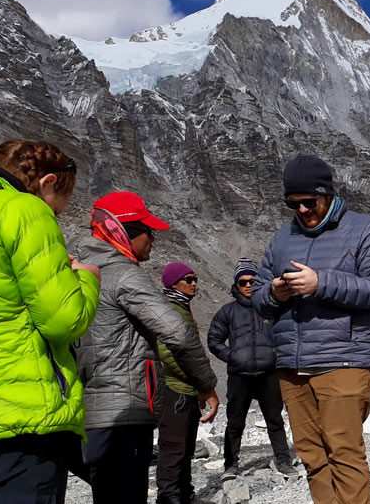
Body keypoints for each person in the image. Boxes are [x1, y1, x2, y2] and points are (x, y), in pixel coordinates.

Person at [253, 154, 370, 504]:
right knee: (312, 456)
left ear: (328, 194)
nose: (301, 210)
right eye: (293, 204)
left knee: (343, 450)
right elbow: (257, 297)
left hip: (345, 359)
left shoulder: (365, 230)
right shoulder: (281, 239)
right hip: (293, 365)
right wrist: (274, 292)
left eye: (308, 202)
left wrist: (321, 283)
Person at [69, 191, 219, 504]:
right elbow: (178, 334)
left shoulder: (71, 271)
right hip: (126, 410)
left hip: (82, 412)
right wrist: (206, 385)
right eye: (149, 232)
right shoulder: (123, 275)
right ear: (125, 232)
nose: (153, 239)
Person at [0, 140, 101, 504]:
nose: (59, 213)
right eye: (61, 202)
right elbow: (64, 320)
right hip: (19, 419)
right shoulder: (24, 210)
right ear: (48, 182)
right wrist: (85, 278)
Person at [207, 258, 295, 480]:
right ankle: (231, 465)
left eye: (252, 281)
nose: (247, 285)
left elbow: (288, 333)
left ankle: (283, 461)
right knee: (235, 422)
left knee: (274, 420)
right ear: (236, 285)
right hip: (240, 375)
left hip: (269, 374)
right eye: (242, 282)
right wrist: (232, 357)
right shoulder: (227, 312)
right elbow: (214, 340)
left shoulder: (272, 308)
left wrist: (278, 356)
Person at [155, 262, 220, 504]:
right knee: (174, 447)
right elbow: (169, 353)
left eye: (195, 279)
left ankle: (183, 494)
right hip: (175, 389)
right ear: (173, 283)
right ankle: (169, 498)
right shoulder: (171, 309)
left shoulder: (181, 308)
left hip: (186, 389)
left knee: (184, 447)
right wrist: (198, 382)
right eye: (188, 279)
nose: (194, 284)